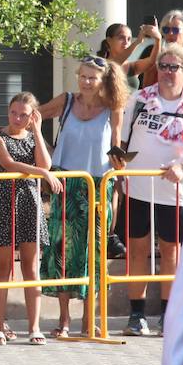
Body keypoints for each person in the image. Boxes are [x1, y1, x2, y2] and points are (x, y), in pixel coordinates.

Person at [120, 43, 183, 337]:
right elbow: (121, 142)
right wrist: (118, 166)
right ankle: (137, 315)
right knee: (137, 250)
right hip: (137, 188)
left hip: (174, 193)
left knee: (171, 252)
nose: (168, 72)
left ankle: (169, 314)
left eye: (175, 67)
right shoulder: (140, 99)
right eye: (163, 66)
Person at [38, 56, 129, 337]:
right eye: (83, 76)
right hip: (66, 183)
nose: (87, 82)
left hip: (99, 185)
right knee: (62, 249)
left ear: (104, 81)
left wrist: (120, 162)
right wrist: (45, 153)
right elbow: (34, 114)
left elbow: (116, 142)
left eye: (93, 77)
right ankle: (63, 320)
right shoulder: (66, 101)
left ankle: (89, 318)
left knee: (95, 251)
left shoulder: (113, 106)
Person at [0, 93, 60, 346]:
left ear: (32, 116)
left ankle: (34, 327)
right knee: (3, 267)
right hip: (4, 202)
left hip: (30, 201)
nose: (17, 118)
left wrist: (37, 131)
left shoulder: (32, 136)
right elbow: (8, 164)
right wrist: (41, 174)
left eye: (24, 115)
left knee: (31, 266)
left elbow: (45, 163)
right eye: (13, 113)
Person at [135, 10, 183, 110]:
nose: (171, 34)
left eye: (176, 30)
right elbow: (147, 87)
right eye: (166, 30)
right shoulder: (156, 55)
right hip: (160, 115)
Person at [98, 21, 157, 88]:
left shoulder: (132, 66)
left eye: (129, 39)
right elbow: (114, 64)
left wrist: (158, 39)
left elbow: (153, 60)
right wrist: (137, 42)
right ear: (109, 40)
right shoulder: (100, 65)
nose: (126, 42)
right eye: (121, 38)